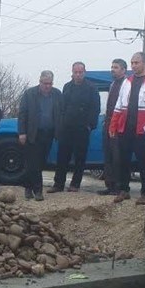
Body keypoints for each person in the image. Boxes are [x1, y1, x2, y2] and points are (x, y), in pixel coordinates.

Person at [109, 51, 145, 205]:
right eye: (132, 63)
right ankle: (123, 190)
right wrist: (113, 125)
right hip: (125, 128)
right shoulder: (127, 82)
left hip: (142, 129)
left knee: (143, 162)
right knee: (123, 160)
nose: (133, 65)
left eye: (136, 63)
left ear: (144, 63)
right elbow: (119, 106)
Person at [48, 62, 100, 193]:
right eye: (75, 72)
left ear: (84, 72)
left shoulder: (91, 88)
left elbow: (95, 109)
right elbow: (61, 108)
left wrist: (89, 126)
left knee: (79, 158)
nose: (78, 75)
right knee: (62, 157)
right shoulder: (67, 87)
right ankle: (58, 184)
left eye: (80, 72)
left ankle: (75, 185)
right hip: (66, 128)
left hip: (82, 129)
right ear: (72, 73)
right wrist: (60, 124)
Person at [18, 70, 63, 201]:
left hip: (48, 133)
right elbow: (22, 114)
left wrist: (59, 129)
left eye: (50, 83)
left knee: (41, 162)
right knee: (34, 162)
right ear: (40, 81)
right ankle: (38, 191)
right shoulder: (29, 94)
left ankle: (27, 186)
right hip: (33, 133)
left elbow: (61, 112)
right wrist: (22, 132)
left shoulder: (57, 94)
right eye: (45, 83)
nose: (47, 86)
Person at [97, 58, 127, 196]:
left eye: (116, 67)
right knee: (108, 155)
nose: (112, 69)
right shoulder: (113, 84)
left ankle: (119, 186)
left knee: (117, 156)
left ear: (123, 70)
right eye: (112, 67)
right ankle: (109, 185)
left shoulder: (127, 84)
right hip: (108, 123)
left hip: (119, 125)